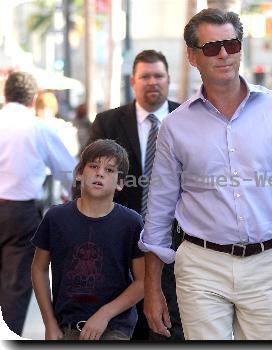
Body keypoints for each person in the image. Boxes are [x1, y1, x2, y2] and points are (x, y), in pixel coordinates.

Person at [139, 8, 272, 340]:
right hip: (201, 266)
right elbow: (159, 209)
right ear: (192, 56)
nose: (223, 54)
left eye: (231, 45)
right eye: (211, 47)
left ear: (241, 49)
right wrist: (152, 287)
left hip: (266, 264)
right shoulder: (175, 126)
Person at [88, 50, 184, 341]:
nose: (152, 82)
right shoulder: (108, 123)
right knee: (123, 331)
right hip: (119, 248)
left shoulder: (189, 119)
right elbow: (90, 181)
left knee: (169, 330)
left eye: (158, 76)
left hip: (176, 248)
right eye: (145, 76)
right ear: (133, 81)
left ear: (168, 80)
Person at [31, 139, 145, 340]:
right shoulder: (56, 218)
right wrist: (49, 323)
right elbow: (39, 269)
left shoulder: (131, 223)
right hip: (65, 326)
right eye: (93, 166)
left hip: (114, 327)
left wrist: (105, 314)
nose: (100, 173)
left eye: (110, 170)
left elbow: (144, 281)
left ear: (120, 183)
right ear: (79, 173)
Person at [0, 71, 76, 336]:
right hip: (21, 213)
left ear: (5, 94)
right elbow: (68, 172)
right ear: (33, 98)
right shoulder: (38, 127)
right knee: (15, 286)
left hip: (16, 210)